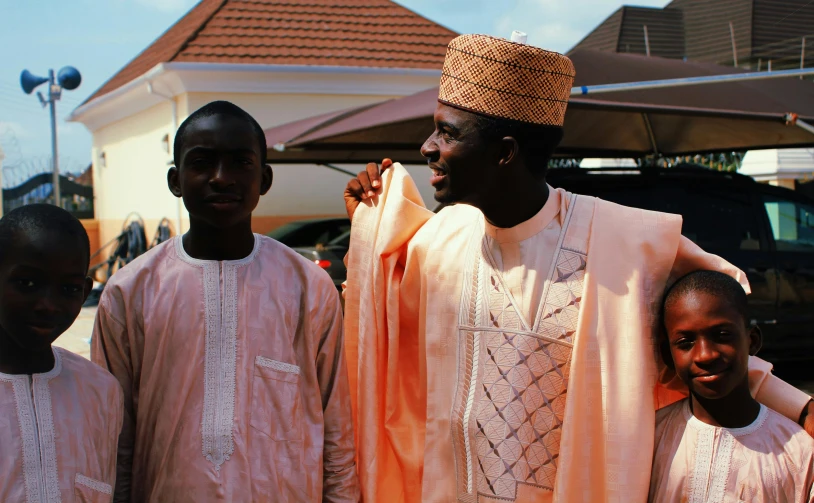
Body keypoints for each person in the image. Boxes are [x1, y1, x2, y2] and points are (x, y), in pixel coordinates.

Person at [341, 34, 814, 502]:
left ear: (505, 152)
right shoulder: (437, 242)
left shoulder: (625, 242)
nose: (427, 147)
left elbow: (715, 334)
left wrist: (801, 406)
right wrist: (366, 223)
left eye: (448, 132)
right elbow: (377, 317)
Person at [92, 101, 359, 502]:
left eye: (240, 163)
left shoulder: (307, 286)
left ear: (264, 178)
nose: (221, 178)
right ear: (175, 180)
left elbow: (336, 421)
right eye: (202, 162)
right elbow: (113, 433)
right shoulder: (130, 290)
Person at [651, 270, 814, 502]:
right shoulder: (650, 439)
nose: (705, 355)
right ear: (668, 355)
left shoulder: (800, 453)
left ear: (753, 341)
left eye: (722, 335)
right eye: (685, 342)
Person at [0, 204, 123, 502]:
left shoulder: (100, 390)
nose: (48, 305)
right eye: (27, 284)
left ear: (84, 292)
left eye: (67, 289)